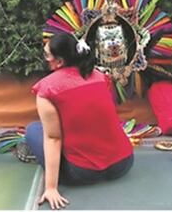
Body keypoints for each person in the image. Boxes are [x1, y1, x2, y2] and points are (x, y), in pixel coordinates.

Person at [22, 32, 134, 209]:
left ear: (59, 61)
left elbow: (53, 138)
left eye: (47, 55)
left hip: (81, 173)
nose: (45, 59)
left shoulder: (47, 88)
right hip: (124, 163)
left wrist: (51, 188)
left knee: (33, 129)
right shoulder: (100, 77)